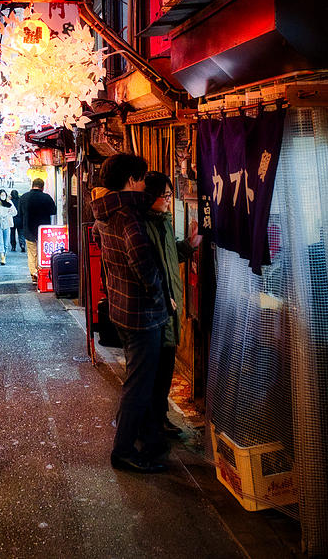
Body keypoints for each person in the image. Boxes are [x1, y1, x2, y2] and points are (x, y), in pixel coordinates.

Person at [91, 152, 171, 474]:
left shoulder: (106, 213)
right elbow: (142, 263)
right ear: (130, 181)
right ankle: (122, 450)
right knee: (139, 385)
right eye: (140, 179)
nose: (142, 186)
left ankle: (149, 440)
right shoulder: (127, 216)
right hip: (141, 313)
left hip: (123, 309)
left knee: (140, 380)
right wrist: (158, 294)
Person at [143, 171, 202, 446]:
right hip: (158, 308)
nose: (169, 200)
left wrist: (189, 246)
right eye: (165, 195)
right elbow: (149, 270)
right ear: (150, 196)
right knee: (158, 368)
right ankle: (153, 423)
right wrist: (165, 298)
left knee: (165, 366)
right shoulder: (144, 226)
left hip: (170, 304)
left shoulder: (164, 222)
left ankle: (160, 417)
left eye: (170, 195)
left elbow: (169, 256)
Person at [19, 178, 56, 283]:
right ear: (42, 187)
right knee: (42, 253)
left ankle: (34, 274)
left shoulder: (24, 197)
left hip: (28, 230)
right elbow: (53, 211)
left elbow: (20, 214)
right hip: (43, 232)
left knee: (32, 254)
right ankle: (42, 274)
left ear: (32, 185)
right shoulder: (46, 197)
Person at [0, 189, 17, 265]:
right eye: (1, 195)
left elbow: (15, 212)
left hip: (7, 223)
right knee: (0, 241)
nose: (3, 196)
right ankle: (2, 256)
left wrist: (10, 212)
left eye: (4, 195)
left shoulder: (9, 203)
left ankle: (4, 255)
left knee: (6, 242)